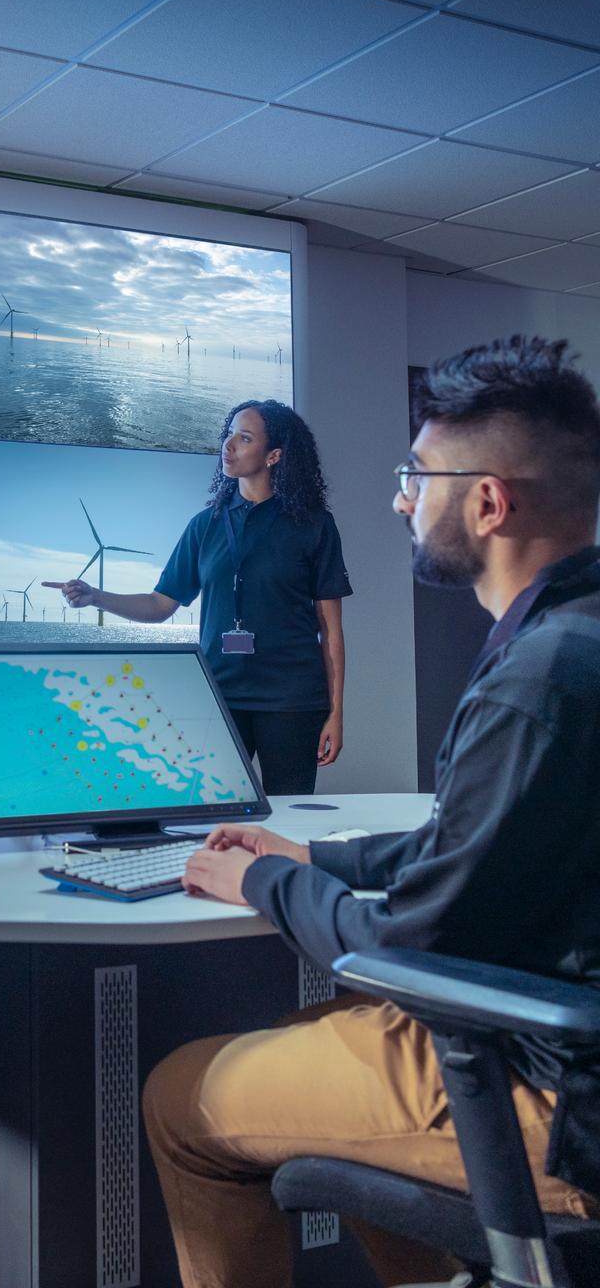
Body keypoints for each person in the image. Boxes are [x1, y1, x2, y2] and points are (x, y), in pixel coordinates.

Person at [145, 337, 600, 1288]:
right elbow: (475, 845)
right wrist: (317, 853)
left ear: (488, 501)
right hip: (565, 1042)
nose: (401, 500)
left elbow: (409, 947)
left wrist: (262, 879)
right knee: (341, 1017)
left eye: (417, 476)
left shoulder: (538, 681)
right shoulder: (573, 644)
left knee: (181, 1097)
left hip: (562, 1106)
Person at [44, 400, 350, 795]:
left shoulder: (314, 525)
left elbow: (332, 632)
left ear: (274, 455)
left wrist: (336, 713)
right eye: (228, 434)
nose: (228, 445)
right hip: (219, 697)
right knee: (214, 813)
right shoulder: (204, 525)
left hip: (291, 702)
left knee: (288, 820)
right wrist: (96, 596)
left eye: (244, 438)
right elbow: (159, 605)